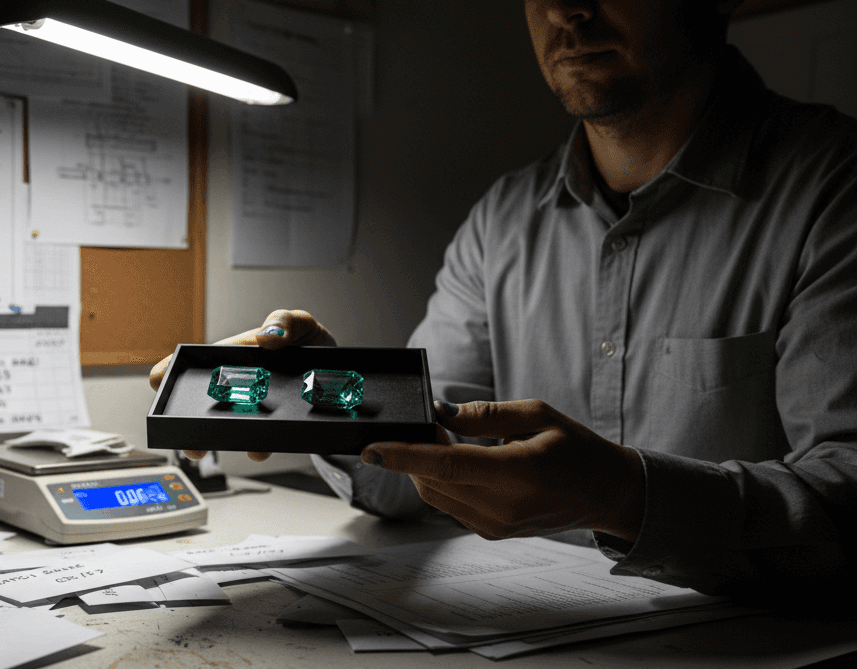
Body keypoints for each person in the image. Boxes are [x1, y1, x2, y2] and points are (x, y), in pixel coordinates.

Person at [150, 0, 857, 597]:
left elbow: (846, 494)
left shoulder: (833, 190)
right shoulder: (503, 221)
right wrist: (333, 402)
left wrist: (624, 495)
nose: (567, 10)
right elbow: (418, 471)